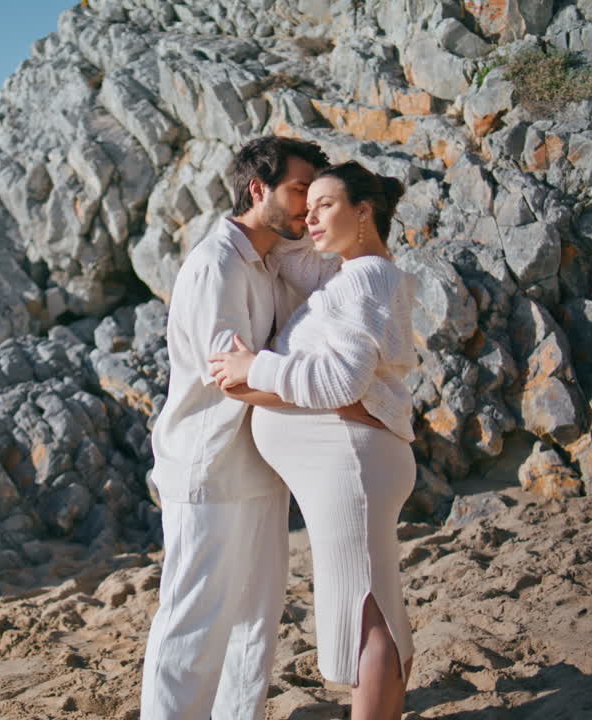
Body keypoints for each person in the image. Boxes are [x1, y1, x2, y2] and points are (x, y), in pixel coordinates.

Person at [139, 136, 375, 720]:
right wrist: (331, 391)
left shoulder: (271, 260)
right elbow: (230, 375)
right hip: (208, 464)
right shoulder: (218, 265)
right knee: (192, 623)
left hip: (260, 469)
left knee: (254, 623)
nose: (309, 205)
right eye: (299, 190)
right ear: (257, 189)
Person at [208, 161, 417, 720]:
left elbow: (341, 381)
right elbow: (292, 256)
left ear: (364, 211)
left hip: (350, 464)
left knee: (365, 613)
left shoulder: (366, 275)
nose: (310, 214)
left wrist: (256, 368)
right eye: (308, 202)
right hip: (351, 462)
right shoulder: (352, 274)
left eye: (325, 203)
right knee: (373, 607)